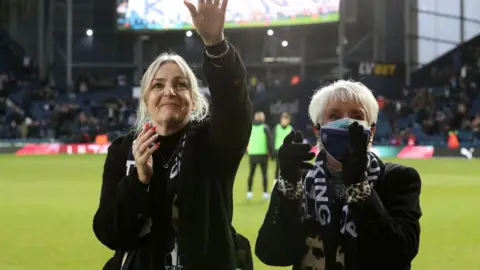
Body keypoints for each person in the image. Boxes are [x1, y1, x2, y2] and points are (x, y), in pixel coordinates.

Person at [93, 0, 253, 269]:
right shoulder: (123, 151)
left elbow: (234, 106)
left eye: (181, 85)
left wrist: (215, 44)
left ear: (193, 100)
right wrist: (139, 180)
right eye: (158, 85)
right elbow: (109, 232)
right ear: (146, 98)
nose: (169, 92)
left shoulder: (212, 142)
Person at [255, 80, 422, 270]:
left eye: (357, 115)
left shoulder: (398, 179)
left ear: (372, 130)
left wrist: (358, 185)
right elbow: (272, 254)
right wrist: (288, 186)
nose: (345, 123)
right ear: (318, 130)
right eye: (334, 115)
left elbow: (399, 255)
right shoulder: (301, 181)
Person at [246, 111, 273, 200]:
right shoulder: (265, 127)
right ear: (263, 118)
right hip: (263, 154)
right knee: (264, 174)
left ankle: (249, 192)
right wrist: (271, 153)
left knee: (251, 174)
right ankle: (265, 193)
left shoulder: (250, 128)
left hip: (252, 154)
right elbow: (270, 141)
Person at [273, 112, 293, 179]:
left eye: (286, 119)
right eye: (283, 119)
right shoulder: (277, 127)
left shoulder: (290, 129)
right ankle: (275, 182)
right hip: (278, 150)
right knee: (278, 167)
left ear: (288, 121)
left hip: (287, 151)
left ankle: (286, 181)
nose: (284, 121)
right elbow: (273, 139)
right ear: (281, 120)